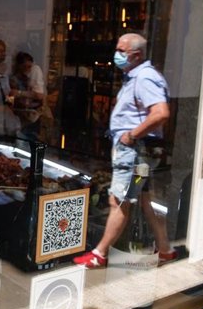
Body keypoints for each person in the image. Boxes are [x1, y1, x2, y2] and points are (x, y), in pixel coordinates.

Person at [73, 33, 176, 268]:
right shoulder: (136, 77)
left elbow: (161, 113)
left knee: (118, 201)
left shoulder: (145, 78)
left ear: (136, 54)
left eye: (122, 50)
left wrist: (131, 135)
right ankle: (165, 248)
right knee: (143, 198)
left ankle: (100, 253)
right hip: (138, 155)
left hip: (135, 153)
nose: (117, 55)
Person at [10, 52, 45, 140]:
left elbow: (40, 96)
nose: (27, 69)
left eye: (29, 67)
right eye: (24, 67)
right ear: (19, 66)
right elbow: (10, 98)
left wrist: (20, 93)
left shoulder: (33, 75)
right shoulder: (14, 79)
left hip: (34, 115)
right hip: (20, 116)